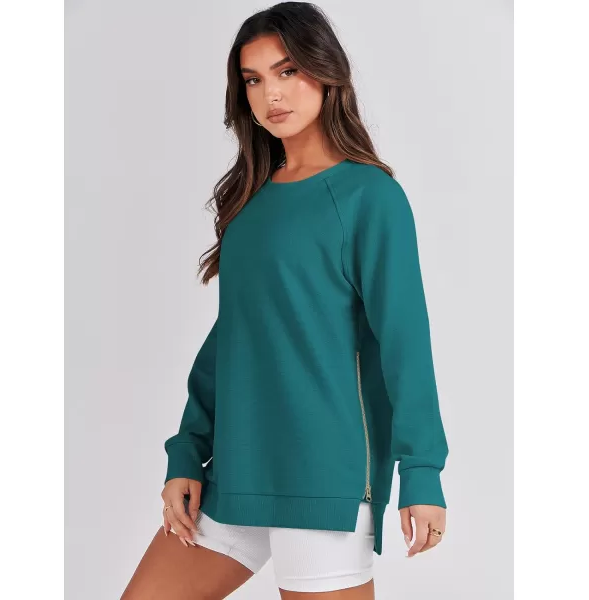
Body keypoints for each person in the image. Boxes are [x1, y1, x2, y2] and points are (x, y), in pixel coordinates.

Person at [121, 2, 449, 599]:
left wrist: (422, 472)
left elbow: (405, 341)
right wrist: (187, 452)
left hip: (323, 478)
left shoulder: (369, 196)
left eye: (288, 70)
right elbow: (233, 339)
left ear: (326, 71)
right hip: (237, 471)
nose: (271, 93)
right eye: (253, 79)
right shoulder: (250, 203)